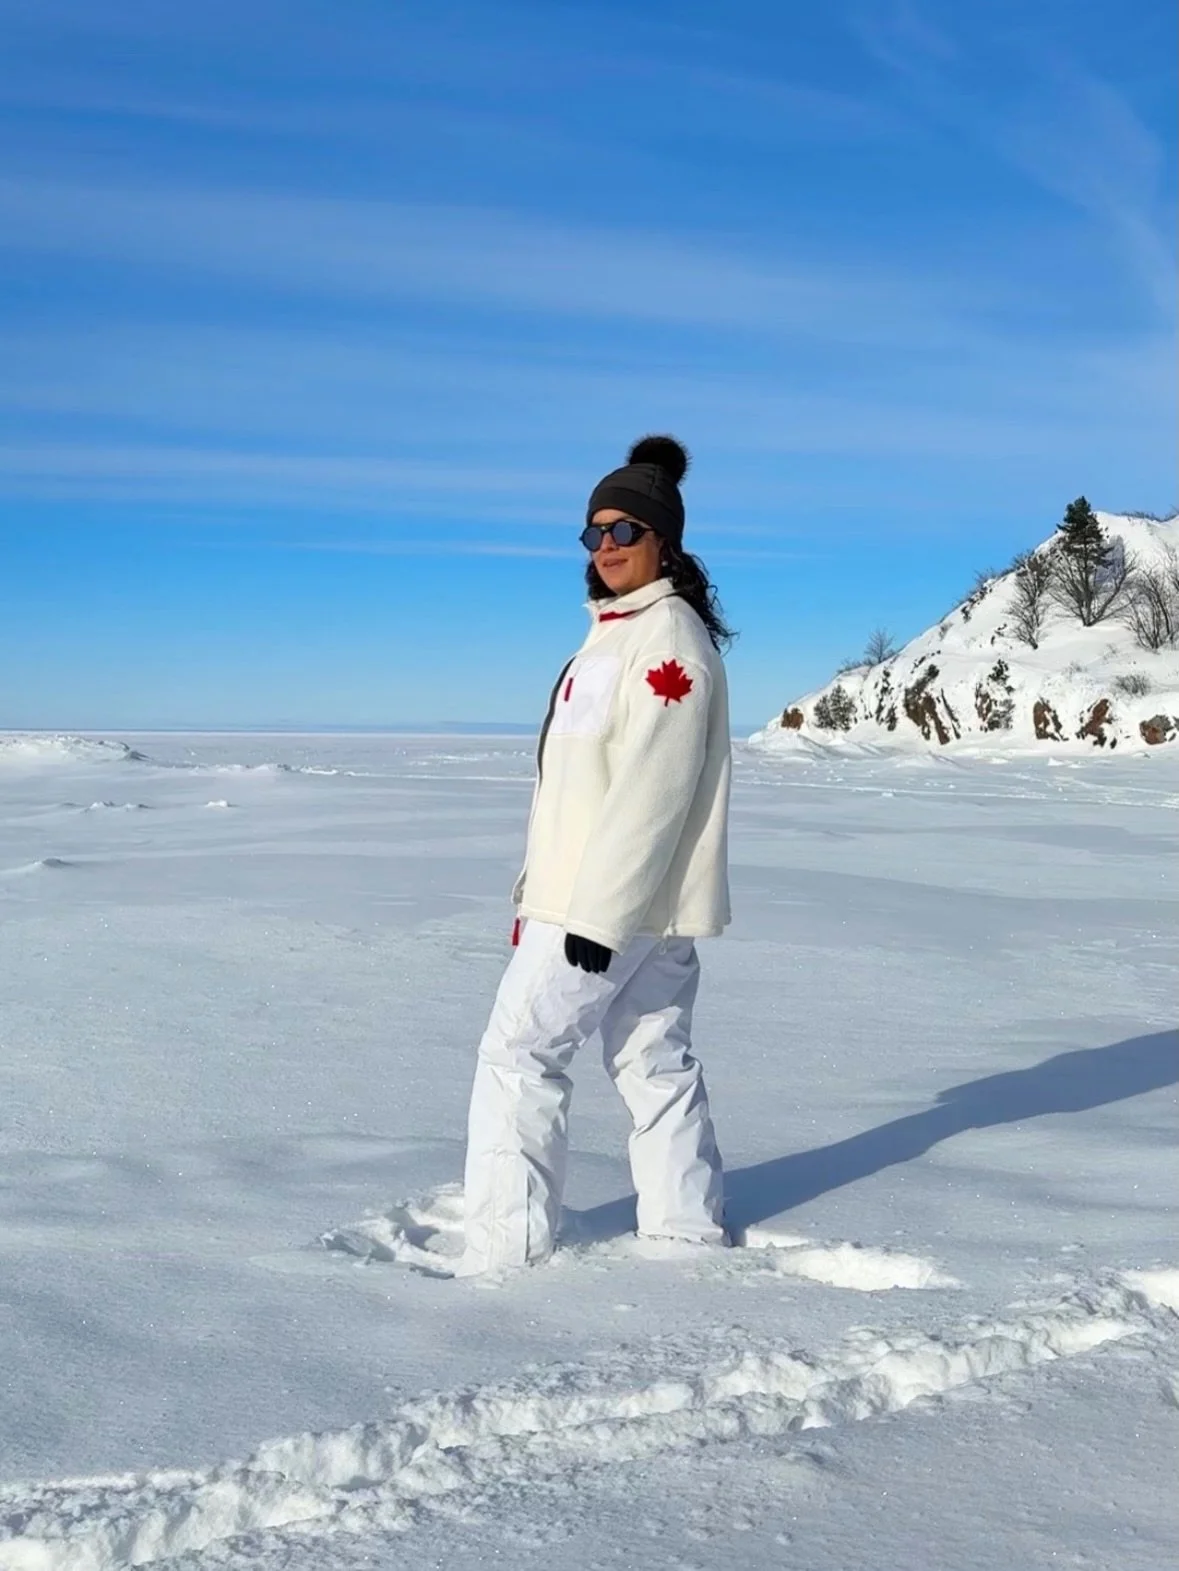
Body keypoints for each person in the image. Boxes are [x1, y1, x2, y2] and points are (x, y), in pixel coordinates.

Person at [458, 435, 734, 1275]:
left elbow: (650, 792)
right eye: (594, 532)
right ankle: (684, 1233)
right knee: (652, 1059)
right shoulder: (614, 636)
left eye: (625, 531)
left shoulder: (667, 642)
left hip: (605, 908)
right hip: (627, 905)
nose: (607, 546)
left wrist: (595, 919)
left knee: (518, 1054)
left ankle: (504, 1248)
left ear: (665, 543)